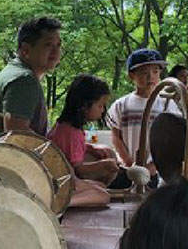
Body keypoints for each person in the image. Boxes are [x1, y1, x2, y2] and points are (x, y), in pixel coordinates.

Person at [0, 16, 62, 146]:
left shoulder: (16, 71)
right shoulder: (23, 80)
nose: (56, 51)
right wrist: (56, 148)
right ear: (26, 50)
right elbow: (17, 135)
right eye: (48, 45)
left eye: (58, 45)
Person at [47, 74, 129, 207]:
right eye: (100, 106)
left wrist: (92, 148)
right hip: (62, 181)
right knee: (103, 195)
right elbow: (79, 169)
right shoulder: (72, 132)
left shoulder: (65, 126)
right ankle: (60, 203)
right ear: (84, 105)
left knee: (101, 186)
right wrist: (103, 165)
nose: (103, 110)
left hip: (65, 178)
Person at [106, 48, 179, 186]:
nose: (150, 76)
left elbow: (171, 140)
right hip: (127, 169)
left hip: (155, 170)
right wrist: (128, 162)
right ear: (131, 75)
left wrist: (153, 166)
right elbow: (116, 137)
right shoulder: (122, 105)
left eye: (155, 72)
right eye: (144, 72)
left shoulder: (167, 104)